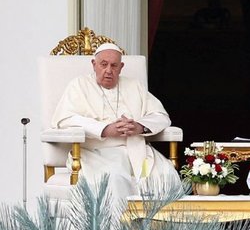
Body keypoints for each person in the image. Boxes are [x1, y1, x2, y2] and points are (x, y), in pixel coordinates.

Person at [51, 43, 182, 201]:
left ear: (121, 67)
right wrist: (105, 129)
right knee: (114, 178)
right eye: (103, 64)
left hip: (137, 153)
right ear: (94, 64)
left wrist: (139, 127)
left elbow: (161, 116)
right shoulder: (79, 85)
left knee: (166, 176)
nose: (108, 71)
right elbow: (65, 118)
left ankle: (158, 227)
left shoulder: (134, 86)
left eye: (114, 66)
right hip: (96, 154)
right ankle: (121, 226)